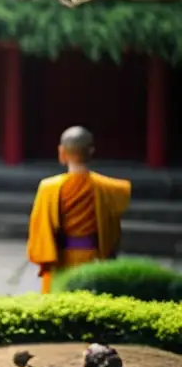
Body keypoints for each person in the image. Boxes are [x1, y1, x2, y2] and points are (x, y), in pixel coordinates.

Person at [27, 126, 132, 293]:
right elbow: (113, 229)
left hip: (60, 259)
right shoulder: (109, 188)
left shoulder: (48, 188)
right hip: (93, 259)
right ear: (91, 152)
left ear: (61, 153)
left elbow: (39, 229)